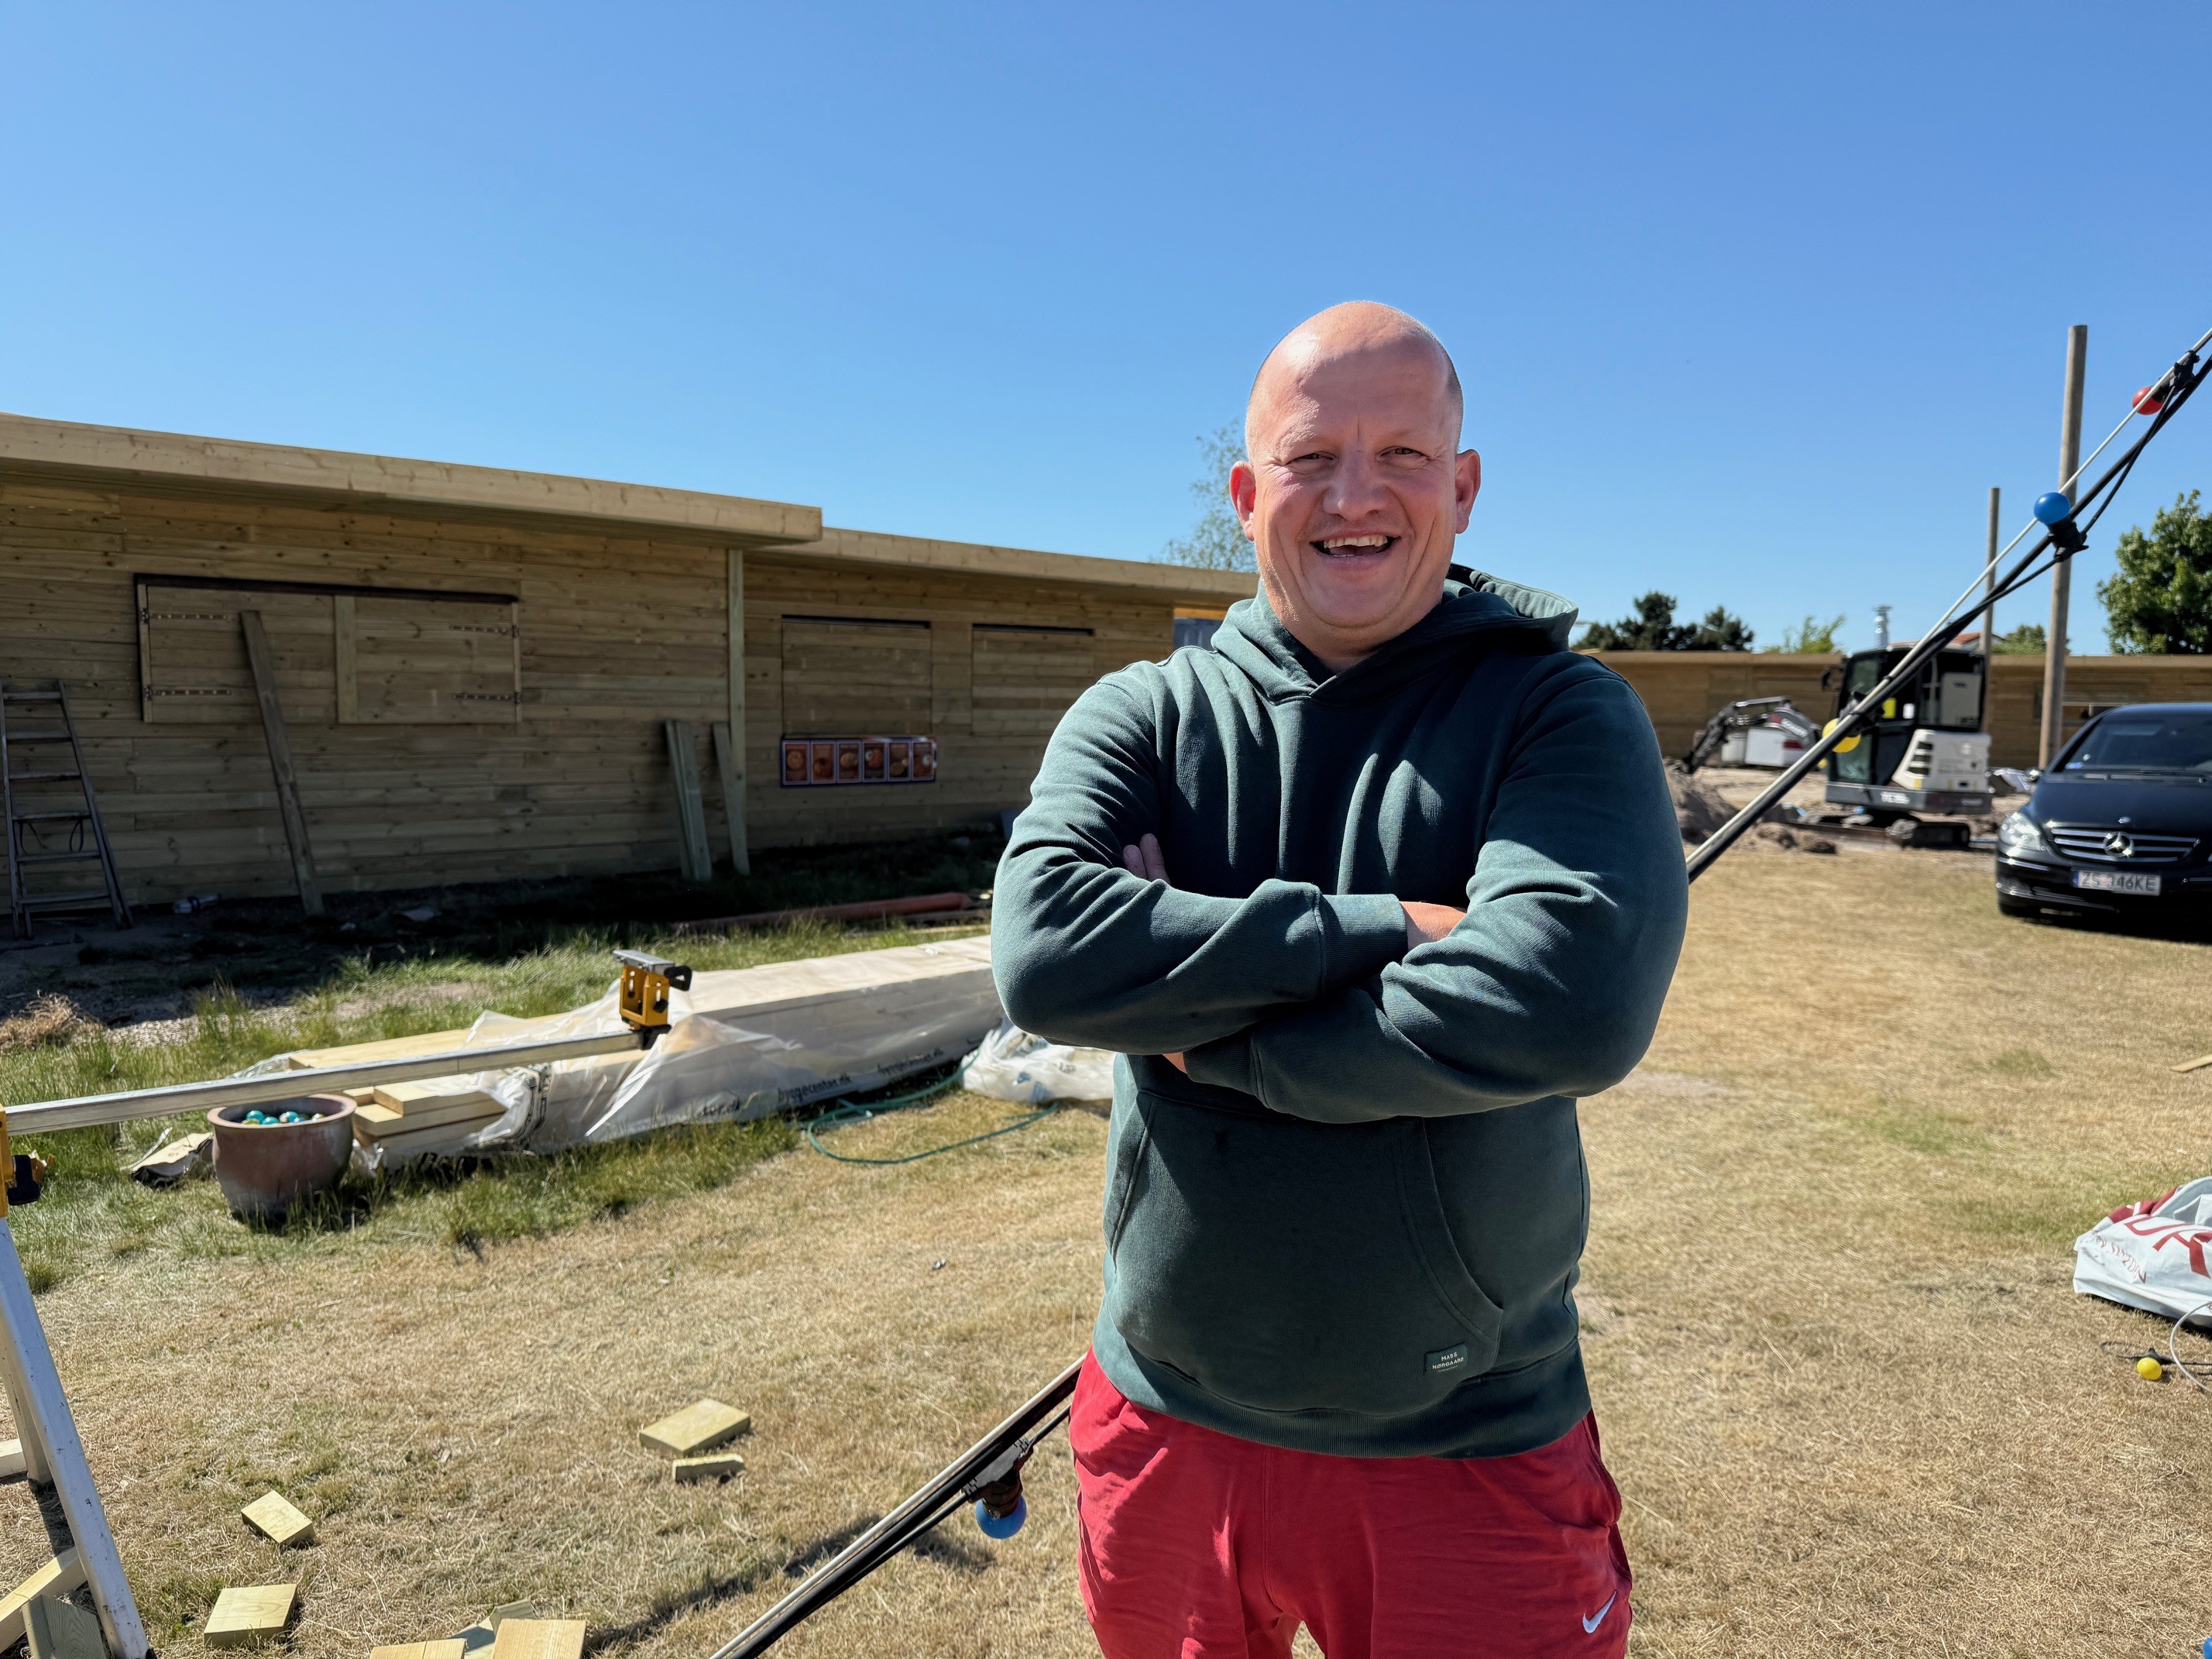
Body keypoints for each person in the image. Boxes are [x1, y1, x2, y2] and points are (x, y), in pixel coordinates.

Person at [993, 301, 1688, 1658]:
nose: (1356, 496)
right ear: (1248, 495)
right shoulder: (1145, 712)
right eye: (1312, 458)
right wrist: (1384, 928)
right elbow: (1049, 953)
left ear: (1465, 487)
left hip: (1468, 1439)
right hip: (1167, 1419)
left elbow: (1572, 997)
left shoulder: (1557, 710)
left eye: (1404, 454)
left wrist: (1209, 1032)